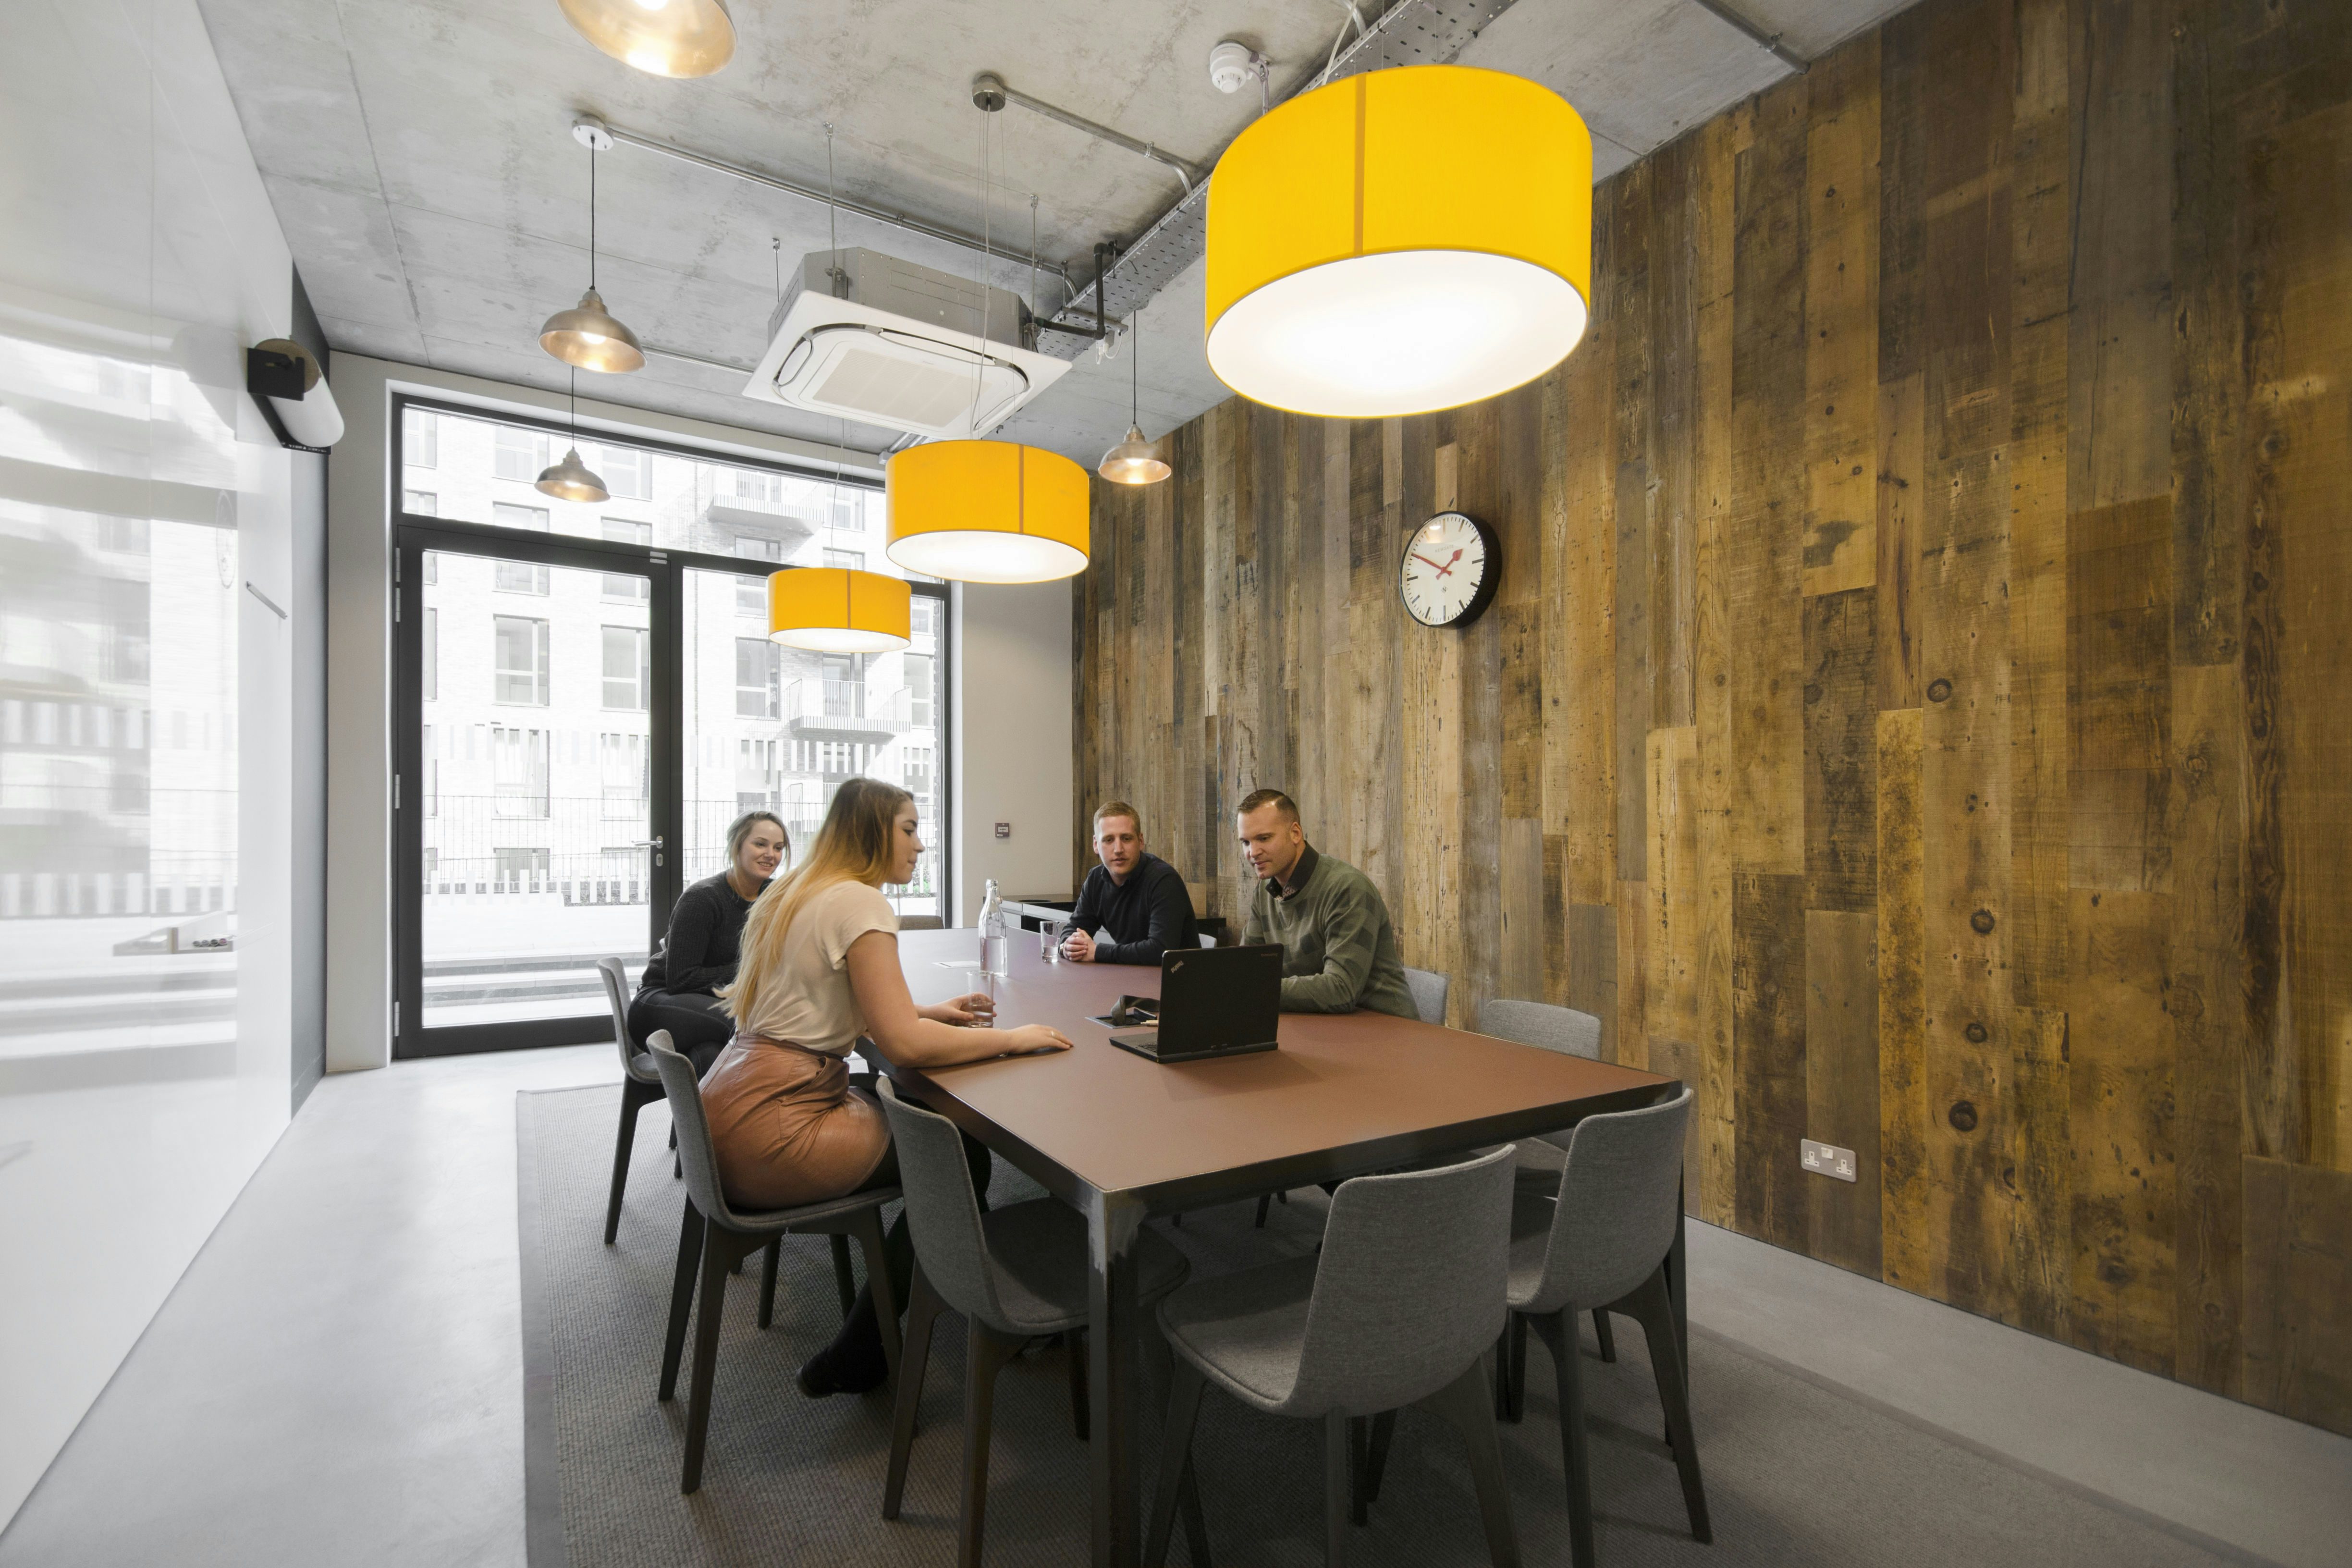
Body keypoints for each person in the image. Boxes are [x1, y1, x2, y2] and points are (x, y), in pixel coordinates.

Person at [705, 777, 1073, 1396]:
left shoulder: (796, 891)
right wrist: (1016, 1037)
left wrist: (924, 1011)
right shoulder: (860, 902)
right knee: (954, 1154)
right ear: (872, 831)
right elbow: (901, 1048)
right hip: (778, 1125)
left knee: (934, 1134)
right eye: (908, 828)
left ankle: (979, 1299)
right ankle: (877, 1343)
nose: (920, 845)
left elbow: (825, 1001)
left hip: (736, 1100)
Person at [1235, 788, 1417, 1018]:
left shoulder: (1348, 888)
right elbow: (1246, 971)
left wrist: (1255, 990)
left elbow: (1341, 990)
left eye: (1264, 838)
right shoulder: (1264, 891)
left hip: (1386, 1031)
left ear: (1295, 833)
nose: (1253, 852)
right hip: (1318, 1026)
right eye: (1245, 842)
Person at [627, 810, 787, 1071]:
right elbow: (681, 979)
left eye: (778, 848)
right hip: (661, 1002)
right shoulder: (703, 898)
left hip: (714, 1004)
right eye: (760, 844)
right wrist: (754, 969)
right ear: (737, 846)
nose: (771, 854)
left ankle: (692, 1114)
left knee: (711, 1055)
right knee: (746, 1027)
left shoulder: (774, 896)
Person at [1060, 799, 1200, 964]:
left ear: (1140, 841)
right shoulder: (1095, 880)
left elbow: (1160, 951)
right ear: (1096, 845)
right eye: (1109, 840)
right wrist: (1067, 945)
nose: (1118, 849)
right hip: (1130, 977)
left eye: (1126, 839)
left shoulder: (1164, 881)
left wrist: (1097, 952)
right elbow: (1074, 927)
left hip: (1176, 982)